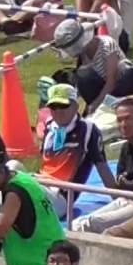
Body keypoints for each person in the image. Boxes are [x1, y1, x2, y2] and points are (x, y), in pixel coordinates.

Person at [72, 98, 133, 234]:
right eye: (119, 120)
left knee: (90, 224)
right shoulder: (126, 147)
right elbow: (120, 183)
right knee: (76, 223)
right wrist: (126, 183)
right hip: (126, 199)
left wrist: (126, 183)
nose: (123, 124)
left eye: (128, 118)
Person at [35, 83, 113, 218]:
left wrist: (121, 201)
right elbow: (47, 165)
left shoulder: (88, 130)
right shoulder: (50, 126)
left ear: (76, 106)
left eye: (64, 106)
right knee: (11, 167)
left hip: (60, 196)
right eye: (54, 107)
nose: (58, 111)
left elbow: (103, 169)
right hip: (40, 185)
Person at [51, 19, 133, 117]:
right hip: (102, 91)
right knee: (82, 73)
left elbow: (111, 81)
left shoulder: (107, 45)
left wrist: (96, 104)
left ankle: (125, 106)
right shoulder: (83, 55)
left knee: (126, 68)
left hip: (120, 87)